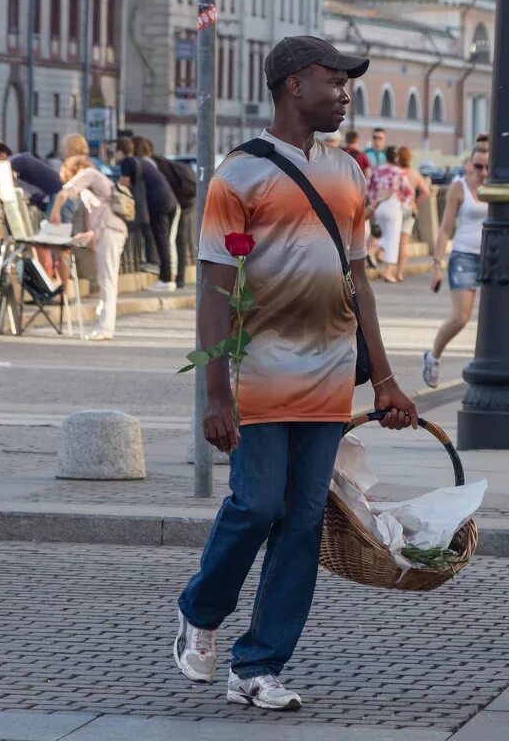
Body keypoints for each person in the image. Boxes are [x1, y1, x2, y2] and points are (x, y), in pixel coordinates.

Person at [174, 35, 417, 712]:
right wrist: (215, 393)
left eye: (348, 83)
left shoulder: (348, 172)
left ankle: (259, 666)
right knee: (256, 505)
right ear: (291, 85)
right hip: (257, 377)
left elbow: (360, 283)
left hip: (331, 377)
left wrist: (386, 379)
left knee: (304, 522)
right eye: (333, 80)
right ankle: (200, 607)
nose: (344, 93)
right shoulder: (238, 176)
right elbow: (216, 288)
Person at [422, 145, 489, 388]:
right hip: (463, 256)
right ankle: (433, 356)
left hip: (491, 258)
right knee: (461, 317)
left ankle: (485, 366)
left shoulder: (496, 186)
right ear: (470, 164)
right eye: (478, 166)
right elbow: (446, 228)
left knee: (493, 319)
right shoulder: (459, 187)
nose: (483, 172)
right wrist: (437, 265)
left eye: (487, 167)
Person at [53, 155, 128, 341]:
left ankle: (105, 328)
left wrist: (54, 212)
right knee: (107, 280)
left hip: (111, 231)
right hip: (110, 231)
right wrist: (87, 236)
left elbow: (65, 192)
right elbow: (102, 214)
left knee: (107, 281)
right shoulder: (95, 186)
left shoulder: (90, 173)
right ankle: (103, 325)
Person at [115, 136, 178, 292]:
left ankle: (166, 280)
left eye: (115, 153)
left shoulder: (127, 162)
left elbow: (123, 184)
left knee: (161, 241)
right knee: (165, 241)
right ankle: (167, 278)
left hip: (159, 203)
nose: (114, 157)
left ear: (120, 152)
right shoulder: (140, 161)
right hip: (169, 200)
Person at [147, 139, 199, 289]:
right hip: (186, 201)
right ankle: (180, 278)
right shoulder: (164, 162)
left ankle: (170, 277)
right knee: (180, 241)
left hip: (177, 203)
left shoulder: (155, 165)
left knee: (170, 240)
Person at [366, 146, 414, 283]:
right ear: (397, 157)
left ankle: (372, 250)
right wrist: (404, 205)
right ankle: (387, 271)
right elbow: (408, 192)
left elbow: (369, 188)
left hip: (379, 206)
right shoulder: (399, 172)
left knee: (383, 235)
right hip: (393, 206)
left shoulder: (378, 170)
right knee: (393, 239)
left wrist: (374, 203)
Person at [0, 141, 63, 217]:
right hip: (57, 199)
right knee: (54, 229)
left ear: (2, 155)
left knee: (55, 229)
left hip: (57, 200)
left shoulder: (14, 160)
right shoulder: (19, 160)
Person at [397, 147, 430, 280]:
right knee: (404, 243)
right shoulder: (414, 174)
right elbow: (426, 192)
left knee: (390, 238)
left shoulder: (396, 172)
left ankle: (386, 266)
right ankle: (399, 273)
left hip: (397, 208)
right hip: (410, 209)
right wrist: (416, 202)